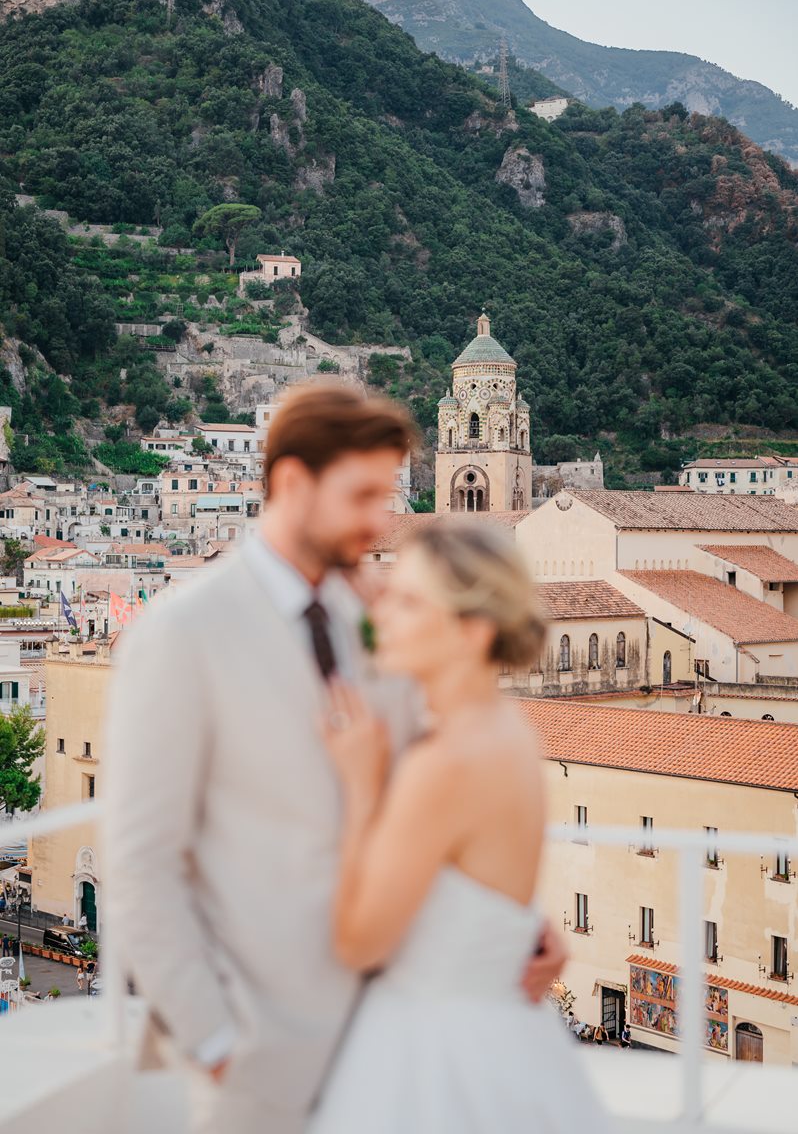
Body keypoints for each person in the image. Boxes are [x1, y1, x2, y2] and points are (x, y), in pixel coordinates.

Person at [103, 383, 568, 1134]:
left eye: (387, 495)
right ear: (291, 482)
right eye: (362, 495)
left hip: (393, 1033)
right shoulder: (180, 635)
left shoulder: (382, 619)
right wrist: (214, 1039)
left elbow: (423, 794)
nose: (381, 520)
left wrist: (499, 920)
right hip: (257, 1053)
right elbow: (138, 861)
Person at [310, 520, 608, 1133]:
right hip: (506, 1039)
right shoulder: (506, 730)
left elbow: (357, 943)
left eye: (408, 601)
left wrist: (362, 788)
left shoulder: (443, 764)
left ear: (471, 632)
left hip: (433, 1059)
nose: (382, 612)